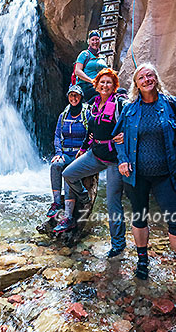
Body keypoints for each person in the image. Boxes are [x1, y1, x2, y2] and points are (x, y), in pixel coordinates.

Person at [113, 62, 176, 291]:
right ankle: (142, 262)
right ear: (136, 84)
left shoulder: (170, 104)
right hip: (136, 176)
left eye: (150, 75)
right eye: (142, 77)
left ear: (156, 79)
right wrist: (123, 159)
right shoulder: (129, 109)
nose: (147, 79)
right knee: (139, 218)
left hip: (164, 175)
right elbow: (117, 136)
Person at [58, 68, 127, 257]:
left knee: (113, 203)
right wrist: (81, 151)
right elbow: (90, 132)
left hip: (114, 159)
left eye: (109, 83)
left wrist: (125, 138)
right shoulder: (93, 104)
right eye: (102, 82)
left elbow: (131, 123)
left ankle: (118, 244)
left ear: (114, 86)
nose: (105, 85)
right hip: (95, 153)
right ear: (96, 85)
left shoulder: (119, 103)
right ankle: (84, 198)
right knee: (68, 173)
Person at [45, 85, 90, 233]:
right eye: (71, 95)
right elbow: (57, 136)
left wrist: (85, 151)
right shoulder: (64, 115)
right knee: (56, 165)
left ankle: (69, 217)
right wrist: (58, 152)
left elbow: (91, 134)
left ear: (81, 97)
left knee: (69, 173)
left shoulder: (86, 113)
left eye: (76, 95)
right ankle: (57, 203)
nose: (74, 98)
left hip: (80, 154)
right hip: (66, 152)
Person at [74, 30, 107, 103]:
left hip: (100, 85)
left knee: (120, 91)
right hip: (86, 86)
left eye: (97, 39)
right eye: (93, 40)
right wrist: (91, 81)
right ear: (88, 41)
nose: (95, 42)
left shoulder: (102, 57)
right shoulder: (84, 54)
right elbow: (77, 71)